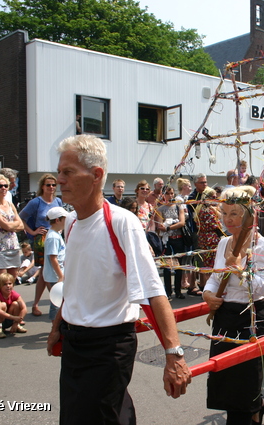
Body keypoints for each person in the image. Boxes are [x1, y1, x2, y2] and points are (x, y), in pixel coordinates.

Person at [47, 134, 191, 424]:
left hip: (108, 347)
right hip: (75, 344)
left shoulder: (122, 222)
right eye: (59, 171)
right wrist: (58, 324)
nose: (59, 179)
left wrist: (174, 355)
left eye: (68, 172)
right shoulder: (71, 223)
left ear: (96, 175)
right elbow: (74, 285)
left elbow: (154, 291)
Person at [202, 185, 264, 425]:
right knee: (225, 379)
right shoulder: (223, 243)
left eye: (234, 213)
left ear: (247, 214)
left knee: (245, 382)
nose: (227, 219)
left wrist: (241, 272)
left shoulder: (261, 246)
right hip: (226, 315)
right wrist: (208, 295)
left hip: (251, 317)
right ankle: (256, 408)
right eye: (224, 213)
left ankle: (253, 409)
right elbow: (214, 277)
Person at [19, 173, 63, 317]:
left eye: (53, 185)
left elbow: (61, 218)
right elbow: (21, 217)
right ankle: (57, 302)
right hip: (41, 239)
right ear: (42, 187)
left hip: (55, 237)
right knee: (47, 269)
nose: (51, 187)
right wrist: (32, 231)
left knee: (45, 272)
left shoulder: (58, 201)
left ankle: (38, 304)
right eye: (48, 185)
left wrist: (60, 229)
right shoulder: (36, 202)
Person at [0, 173, 24, 287]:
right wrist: (13, 225)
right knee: (0, 285)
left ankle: (9, 305)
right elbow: (5, 226)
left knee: (11, 285)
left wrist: (11, 225)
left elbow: (21, 225)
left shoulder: (10, 204)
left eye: (5, 186)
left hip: (13, 246)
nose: (3, 188)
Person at [153, 186, 186, 300]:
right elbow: (160, 225)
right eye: (168, 193)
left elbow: (182, 222)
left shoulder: (178, 207)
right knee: (167, 266)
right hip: (167, 240)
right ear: (163, 195)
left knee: (179, 266)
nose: (170, 196)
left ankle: (178, 291)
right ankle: (167, 292)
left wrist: (168, 227)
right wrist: (167, 227)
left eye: (172, 193)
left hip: (179, 239)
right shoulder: (160, 209)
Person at [193, 187, 222, 293]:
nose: (215, 199)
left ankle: (206, 286)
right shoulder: (207, 211)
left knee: (206, 263)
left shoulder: (199, 209)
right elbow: (215, 224)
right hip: (211, 239)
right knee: (211, 264)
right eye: (213, 197)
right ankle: (209, 288)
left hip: (203, 238)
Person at [43, 207, 68, 321]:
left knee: (60, 301)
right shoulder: (53, 237)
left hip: (57, 275)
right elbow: (53, 258)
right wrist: (60, 276)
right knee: (56, 303)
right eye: (65, 219)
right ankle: (55, 326)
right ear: (58, 220)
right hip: (55, 276)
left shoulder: (56, 234)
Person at [0, 272, 27, 338]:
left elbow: (24, 308)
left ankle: (16, 326)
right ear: (0, 286)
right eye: (5, 284)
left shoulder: (14, 294)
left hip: (9, 319)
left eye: (10, 284)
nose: (8, 286)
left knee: (16, 304)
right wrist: (13, 317)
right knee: (3, 305)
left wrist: (16, 322)